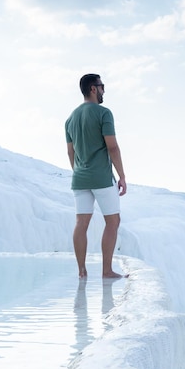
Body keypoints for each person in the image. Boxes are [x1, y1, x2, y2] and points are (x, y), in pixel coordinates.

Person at [65, 73, 127, 278]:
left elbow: (70, 152)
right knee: (113, 221)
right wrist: (122, 176)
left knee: (81, 223)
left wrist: (80, 172)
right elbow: (113, 147)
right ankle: (106, 270)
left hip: (80, 178)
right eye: (102, 86)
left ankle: (81, 270)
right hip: (101, 177)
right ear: (93, 88)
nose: (104, 90)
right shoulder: (104, 113)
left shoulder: (70, 118)